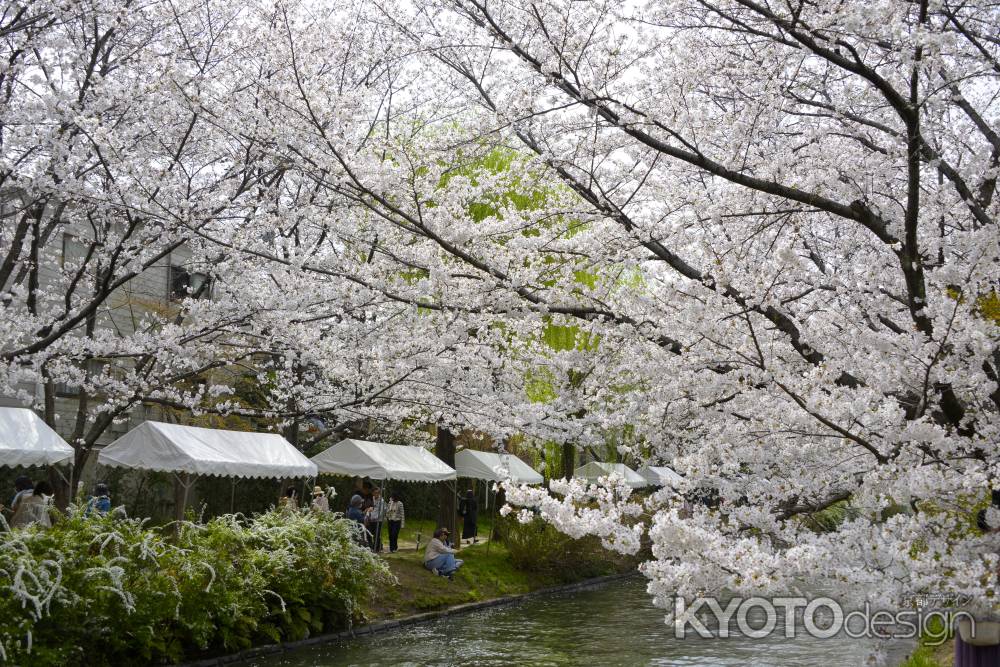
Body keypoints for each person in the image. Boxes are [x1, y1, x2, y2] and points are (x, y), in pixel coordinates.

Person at [366, 487, 387, 552]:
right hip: (371, 520)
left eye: (378, 493)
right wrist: (369, 516)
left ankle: (377, 548)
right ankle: (374, 546)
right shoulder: (371, 499)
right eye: (375, 493)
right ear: (372, 493)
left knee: (376, 534)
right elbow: (369, 508)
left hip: (378, 520)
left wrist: (374, 518)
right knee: (369, 533)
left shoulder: (382, 501)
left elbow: (381, 512)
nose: (376, 494)